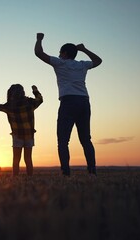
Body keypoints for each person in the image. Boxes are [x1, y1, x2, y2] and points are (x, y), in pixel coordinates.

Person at [34, 33, 102, 176]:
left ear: (64, 53)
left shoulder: (60, 63)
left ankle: (66, 172)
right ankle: (92, 171)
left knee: (63, 140)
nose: (58, 55)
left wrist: (39, 39)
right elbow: (98, 60)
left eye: (60, 53)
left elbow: (38, 53)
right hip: (84, 102)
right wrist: (84, 49)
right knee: (85, 139)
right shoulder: (82, 65)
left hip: (68, 102)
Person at [0, 84, 43, 176]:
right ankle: (30, 178)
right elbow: (40, 99)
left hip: (17, 136)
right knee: (28, 159)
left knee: (16, 159)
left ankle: (15, 178)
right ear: (23, 92)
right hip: (29, 136)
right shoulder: (30, 103)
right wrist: (35, 90)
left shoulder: (10, 106)